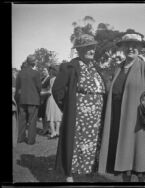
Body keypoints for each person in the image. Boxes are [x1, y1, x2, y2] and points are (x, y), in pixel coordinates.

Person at [98, 33, 145, 182]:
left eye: (135, 45)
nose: (131, 48)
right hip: (117, 120)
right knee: (124, 162)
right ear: (122, 48)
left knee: (140, 161)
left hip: (137, 122)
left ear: (140, 48)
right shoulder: (118, 68)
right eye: (127, 45)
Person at [52, 34, 106, 182]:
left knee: (92, 141)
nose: (91, 50)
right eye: (87, 48)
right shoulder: (70, 67)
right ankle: (70, 174)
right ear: (79, 50)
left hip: (96, 116)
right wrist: (69, 107)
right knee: (75, 141)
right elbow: (57, 91)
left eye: (93, 47)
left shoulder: (95, 68)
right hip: (79, 114)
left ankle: (88, 169)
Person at [15, 54, 42, 145]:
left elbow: (17, 87)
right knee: (32, 121)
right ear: (34, 63)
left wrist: (17, 99)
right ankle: (30, 140)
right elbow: (39, 87)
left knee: (22, 120)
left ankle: (20, 138)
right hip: (33, 100)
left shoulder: (20, 73)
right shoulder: (36, 73)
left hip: (22, 100)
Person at [45, 65, 62, 139]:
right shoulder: (60, 79)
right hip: (58, 99)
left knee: (51, 117)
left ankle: (53, 132)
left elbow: (50, 90)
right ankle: (57, 132)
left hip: (52, 98)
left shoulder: (51, 79)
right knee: (57, 117)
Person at [38, 67, 51, 135]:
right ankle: (44, 129)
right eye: (42, 70)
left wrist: (42, 91)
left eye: (45, 70)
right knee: (42, 114)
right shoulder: (42, 79)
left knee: (46, 114)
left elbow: (49, 90)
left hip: (47, 98)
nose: (43, 71)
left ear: (48, 71)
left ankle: (46, 129)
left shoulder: (49, 79)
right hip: (42, 98)